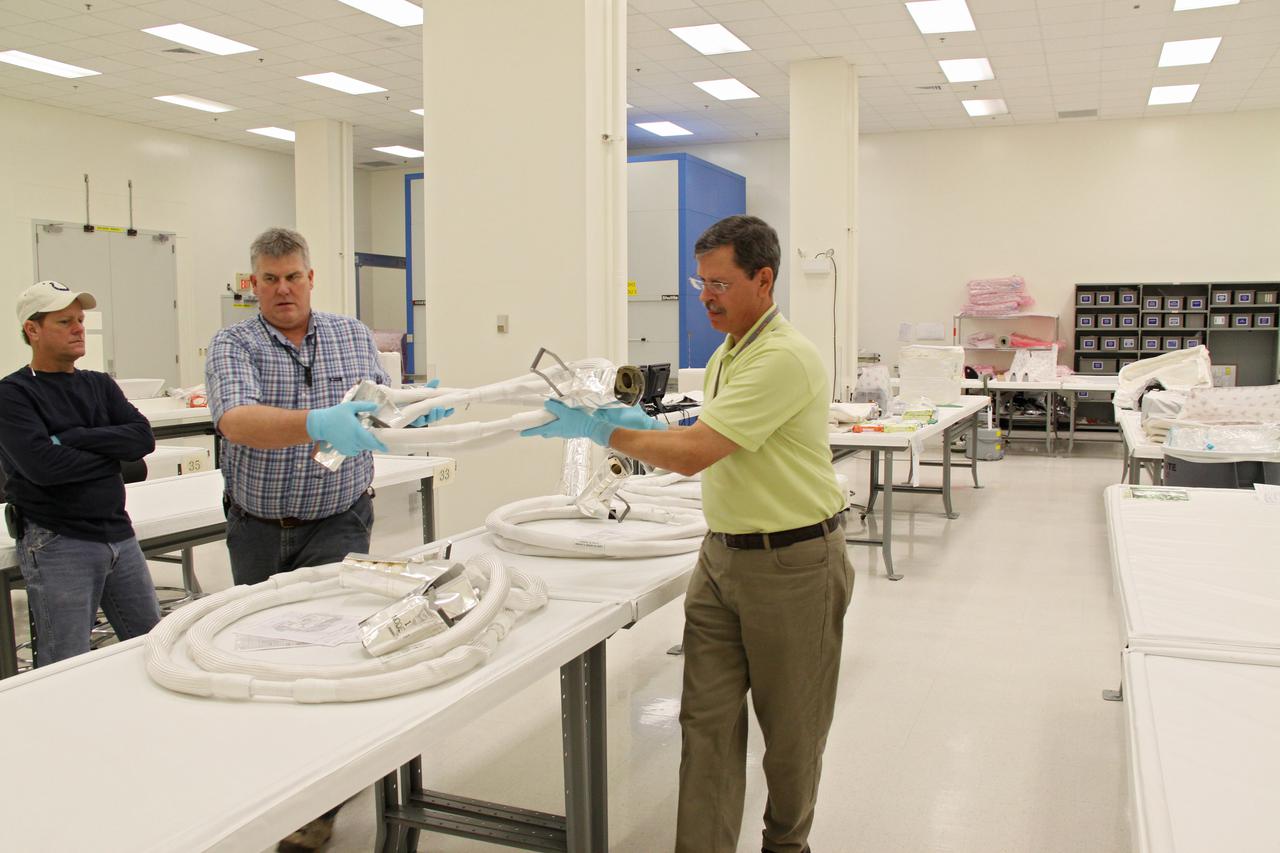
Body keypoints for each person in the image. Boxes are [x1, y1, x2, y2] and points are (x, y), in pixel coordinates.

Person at [523, 215, 853, 853]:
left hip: (794, 565)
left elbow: (695, 452)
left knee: (790, 735)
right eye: (700, 282)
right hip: (723, 559)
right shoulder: (732, 350)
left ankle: (787, 845)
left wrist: (599, 431)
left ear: (764, 279)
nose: (706, 295)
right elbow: (703, 440)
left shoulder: (783, 356)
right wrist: (627, 420)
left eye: (720, 283)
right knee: (704, 726)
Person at [205, 227, 448, 853]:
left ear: (312, 277)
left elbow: (376, 407)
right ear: (251, 283)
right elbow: (235, 420)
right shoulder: (233, 343)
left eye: (292, 277)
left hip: (338, 519)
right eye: (268, 279)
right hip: (258, 528)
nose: (282, 289)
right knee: (264, 656)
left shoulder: (349, 334)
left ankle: (317, 807)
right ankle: (274, 780)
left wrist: (418, 408)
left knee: (333, 653)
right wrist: (315, 422)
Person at [0, 280, 161, 666]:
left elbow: (141, 440)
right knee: (64, 662)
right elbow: (44, 467)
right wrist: (110, 457)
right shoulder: (13, 394)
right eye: (64, 322)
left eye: (80, 320)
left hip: (120, 536)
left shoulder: (98, 384)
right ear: (32, 330)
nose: (77, 329)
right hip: (58, 541)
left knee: (153, 648)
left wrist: (72, 437)